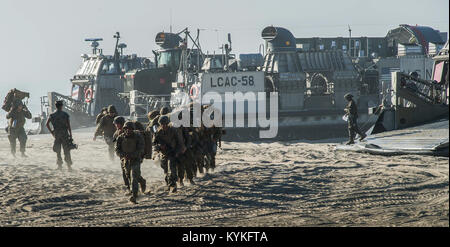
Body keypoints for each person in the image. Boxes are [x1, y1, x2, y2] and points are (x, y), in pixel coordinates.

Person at [153, 115, 186, 193]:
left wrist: (177, 151)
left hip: (172, 152)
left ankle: (173, 185)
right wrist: (160, 146)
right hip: (163, 153)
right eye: (162, 124)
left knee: (171, 168)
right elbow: (154, 143)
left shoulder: (173, 130)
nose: (163, 126)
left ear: (167, 124)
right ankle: (168, 184)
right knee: (165, 170)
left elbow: (179, 142)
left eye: (165, 124)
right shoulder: (158, 132)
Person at [115, 121, 145, 204]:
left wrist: (132, 155)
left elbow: (141, 149)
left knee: (134, 176)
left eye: (130, 129)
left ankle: (134, 195)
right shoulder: (120, 138)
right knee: (129, 175)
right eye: (126, 129)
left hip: (135, 160)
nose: (128, 131)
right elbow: (117, 149)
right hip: (125, 160)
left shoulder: (138, 137)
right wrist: (123, 155)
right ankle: (142, 181)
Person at [46, 100, 73, 170]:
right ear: (61, 106)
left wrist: (52, 132)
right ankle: (69, 166)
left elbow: (47, 124)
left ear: (56, 106)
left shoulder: (52, 115)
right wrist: (71, 135)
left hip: (57, 134)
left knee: (58, 151)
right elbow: (69, 126)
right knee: (66, 150)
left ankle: (59, 166)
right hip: (65, 134)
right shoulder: (65, 114)